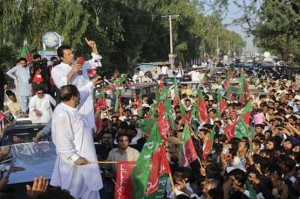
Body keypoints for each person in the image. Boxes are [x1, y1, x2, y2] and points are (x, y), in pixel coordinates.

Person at [50, 78, 103, 199]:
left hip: (87, 162)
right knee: (72, 194)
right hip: (74, 166)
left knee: (91, 191)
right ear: (74, 97)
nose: (80, 98)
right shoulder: (62, 113)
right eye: (78, 96)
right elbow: (62, 141)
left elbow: (83, 93)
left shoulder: (71, 108)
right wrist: (75, 158)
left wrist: (91, 83)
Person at [51, 37, 102, 130]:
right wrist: (72, 71)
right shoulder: (57, 69)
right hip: (72, 102)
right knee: (75, 128)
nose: (72, 55)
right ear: (62, 57)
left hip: (86, 99)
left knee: (88, 129)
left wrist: (94, 48)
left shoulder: (80, 64)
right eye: (68, 54)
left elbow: (96, 62)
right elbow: (61, 86)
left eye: (72, 53)